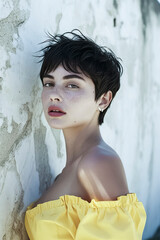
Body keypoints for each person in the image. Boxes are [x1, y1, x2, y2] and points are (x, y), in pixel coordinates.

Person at [25, 29, 146, 239]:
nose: (54, 95)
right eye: (49, 83)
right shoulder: (70, 170)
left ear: (103, 100)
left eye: (72, 85)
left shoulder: (98, 163)